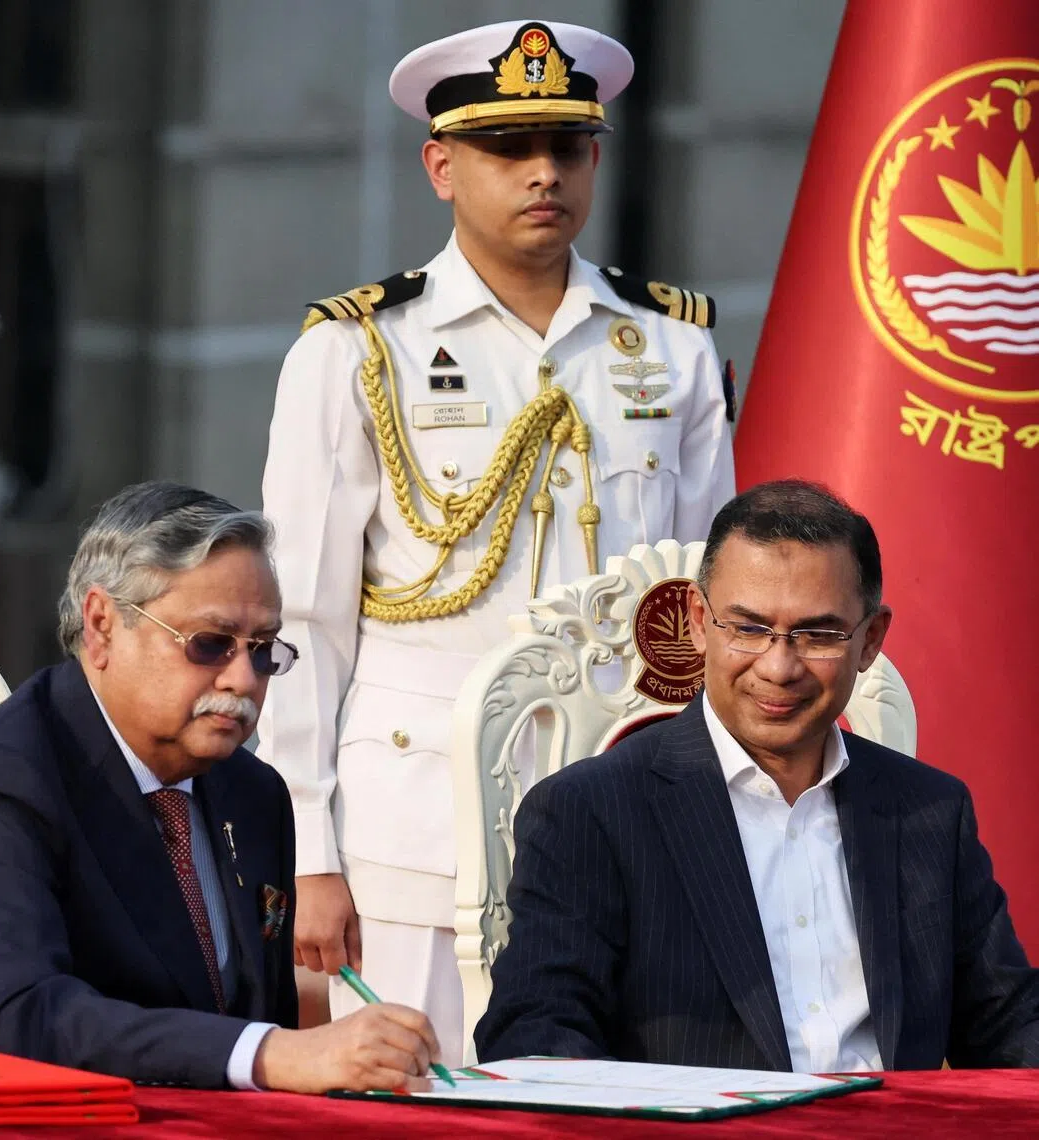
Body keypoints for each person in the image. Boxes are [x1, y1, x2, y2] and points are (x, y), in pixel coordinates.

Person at [256, 18, 736, 1063]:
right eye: (507, 150)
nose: (542, 174)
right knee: (413, 1092)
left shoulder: (672, 345)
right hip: (415, 814)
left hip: (628, 795)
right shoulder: (359, 350)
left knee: (616, 1095)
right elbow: (299, 620)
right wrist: (308, 847)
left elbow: (709, 606)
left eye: (565, 149)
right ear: (441, 166)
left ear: (595, 160)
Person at [476, 479, 1039, 1070]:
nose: (779, 665)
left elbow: (1006, 1022)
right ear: (697, 621)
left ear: (869, 640)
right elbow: (535, 1035)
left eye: (817, 634)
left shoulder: (928, 810)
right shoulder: (590, 812)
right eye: (747, 628)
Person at [0, 482, 440, 1092]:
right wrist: (272, 1056)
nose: (242, 679)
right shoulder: (1, 777)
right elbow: (21, 1016)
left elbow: (261, 1020)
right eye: (209, 644)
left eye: (263, 651)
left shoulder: (253, 791)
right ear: (102, 625)